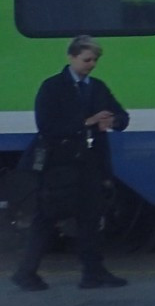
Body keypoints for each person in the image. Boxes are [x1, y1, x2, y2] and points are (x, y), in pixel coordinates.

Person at [12, 35, 129, 292]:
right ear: (72, 57)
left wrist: (114, 121)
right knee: (47, 217)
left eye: (95, 60)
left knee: (90, 217)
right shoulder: (52, 87)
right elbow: (47, 126)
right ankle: (26, 272)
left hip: (90, 163)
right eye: (87, 59)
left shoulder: (97, 87)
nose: (92, 64)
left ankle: (93, 272)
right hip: (59, 165)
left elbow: (121, 115)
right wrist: (86, 122)